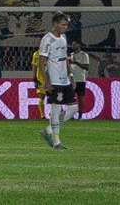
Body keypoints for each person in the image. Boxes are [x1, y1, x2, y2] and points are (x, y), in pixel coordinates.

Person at [38, 13, 74, 150]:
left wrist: (70, 74)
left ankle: (48, 130)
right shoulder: (47, 39)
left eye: (66, 25)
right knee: (56, 108)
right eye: (63, 24)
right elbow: (42, 62)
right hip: (54, 78)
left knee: (73, 107)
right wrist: (46, 81)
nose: (65, 27)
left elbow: (65, 58)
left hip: (65, 78)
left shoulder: (63, 38)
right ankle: (56, 142)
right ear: (55, 24)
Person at [69, 41, 89, 117]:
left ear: (79, 45)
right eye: (72, 44)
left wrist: (75, 62)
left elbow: (86, 67)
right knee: (71, 98)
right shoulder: (71, 55)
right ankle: (71, 115)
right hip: (72, 79)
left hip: (80, 79)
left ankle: (80, 115)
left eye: (74, 44)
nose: (72, 46)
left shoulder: (84, 55)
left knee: (81, 98)